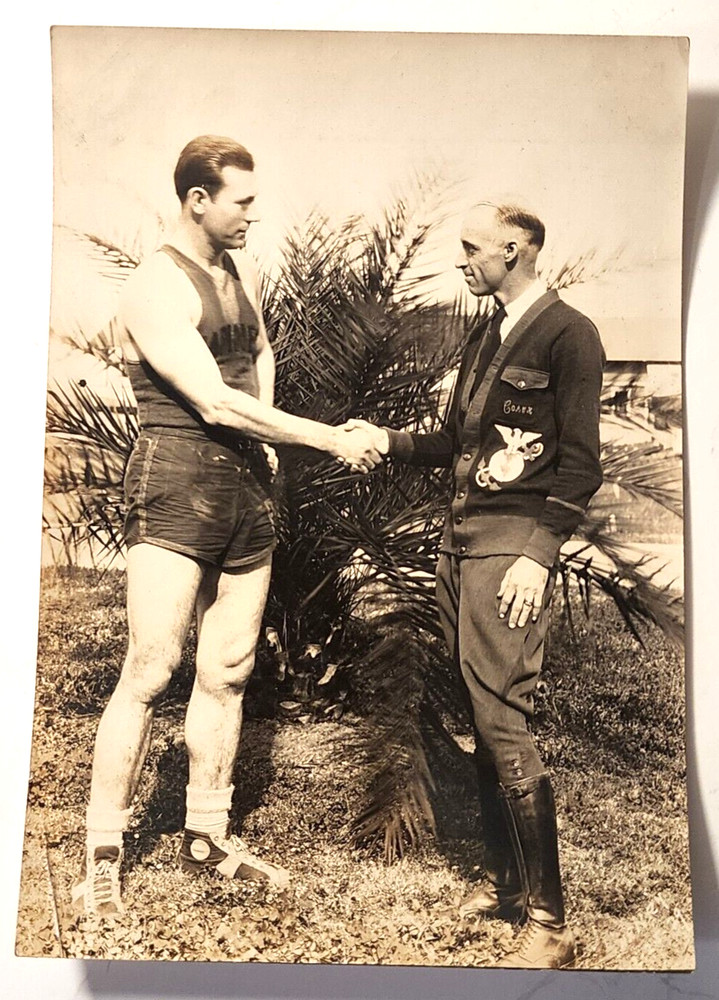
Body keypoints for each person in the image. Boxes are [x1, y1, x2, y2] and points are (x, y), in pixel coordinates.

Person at [72, 135, 384, 916]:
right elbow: (212, 401)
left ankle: (206, 836)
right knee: (151, 668)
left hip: (245, 486)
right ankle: (103, 851)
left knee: (230, 669)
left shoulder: (236, 272)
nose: (252, 214)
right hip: (176, 482)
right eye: (241, 201)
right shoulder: (155, 284)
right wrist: (325, 439)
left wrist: (268, 448)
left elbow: (260, 353)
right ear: (197, 200)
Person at [351, 201, 605, 968]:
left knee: (503, 719)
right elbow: (456, 443)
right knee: (479, 717)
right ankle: (505, 888)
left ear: (515, 248)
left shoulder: (568, 334)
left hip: (509, 553)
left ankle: (548, 925)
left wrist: (538, 554)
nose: (461, 261)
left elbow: (579, 465)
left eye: (470, 248)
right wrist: (385, 439)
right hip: (460, 548)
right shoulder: (485, 332)